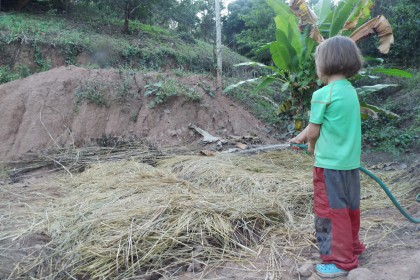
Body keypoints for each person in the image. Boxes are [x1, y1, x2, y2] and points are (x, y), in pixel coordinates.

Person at [290, 35, 365, 278]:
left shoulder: (323, 93)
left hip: (329, 166)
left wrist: (310, 145)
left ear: (325, 63)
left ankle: (339, 262)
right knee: (349, 209)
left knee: (330, 213)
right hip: (349, 165)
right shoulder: (350, 91)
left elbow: (314, 130)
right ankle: (352, 248)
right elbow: (317, 125)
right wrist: (300, 138)